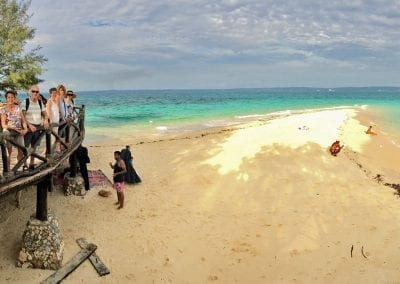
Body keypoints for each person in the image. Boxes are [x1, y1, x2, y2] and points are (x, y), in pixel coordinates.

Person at [22, 85, 49, 170]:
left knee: (34, 146)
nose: (35, 93)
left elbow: (45, 114)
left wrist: (46, 120)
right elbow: (22, 116)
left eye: (37, 92)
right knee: (25, 147)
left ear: (39, 93)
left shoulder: (40, 102)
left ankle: (32, 163)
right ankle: (24, 164)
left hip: (37, 128)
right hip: (28, 128)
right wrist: (29, 125)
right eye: (33, 91)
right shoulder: (25, 102)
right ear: (30, 92)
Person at [0, 90, 28, 170]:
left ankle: (17, 168)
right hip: (8, 132)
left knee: (22, 150)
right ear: (6, 99)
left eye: (12, 97)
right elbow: (3, 125)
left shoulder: (18, 108)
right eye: (8, 97)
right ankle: (8, 170)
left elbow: (23, 121)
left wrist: (25, 128)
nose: (10, 99)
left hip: (19, 131)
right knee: (9, 152)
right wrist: (13, 127)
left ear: (14, 98)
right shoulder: (3, 110)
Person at [46, 87, 60, 152]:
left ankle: (53, 150)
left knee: (55, 137)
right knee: (52, 137)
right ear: (50, 94)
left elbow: (57, 111)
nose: (54, 94)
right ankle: (49, 152)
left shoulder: (55, 101)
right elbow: (48, 112)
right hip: (53, 123)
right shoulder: (49, 101)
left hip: (56, 122)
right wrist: (50, 122)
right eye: (53, 93)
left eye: (55, 93)